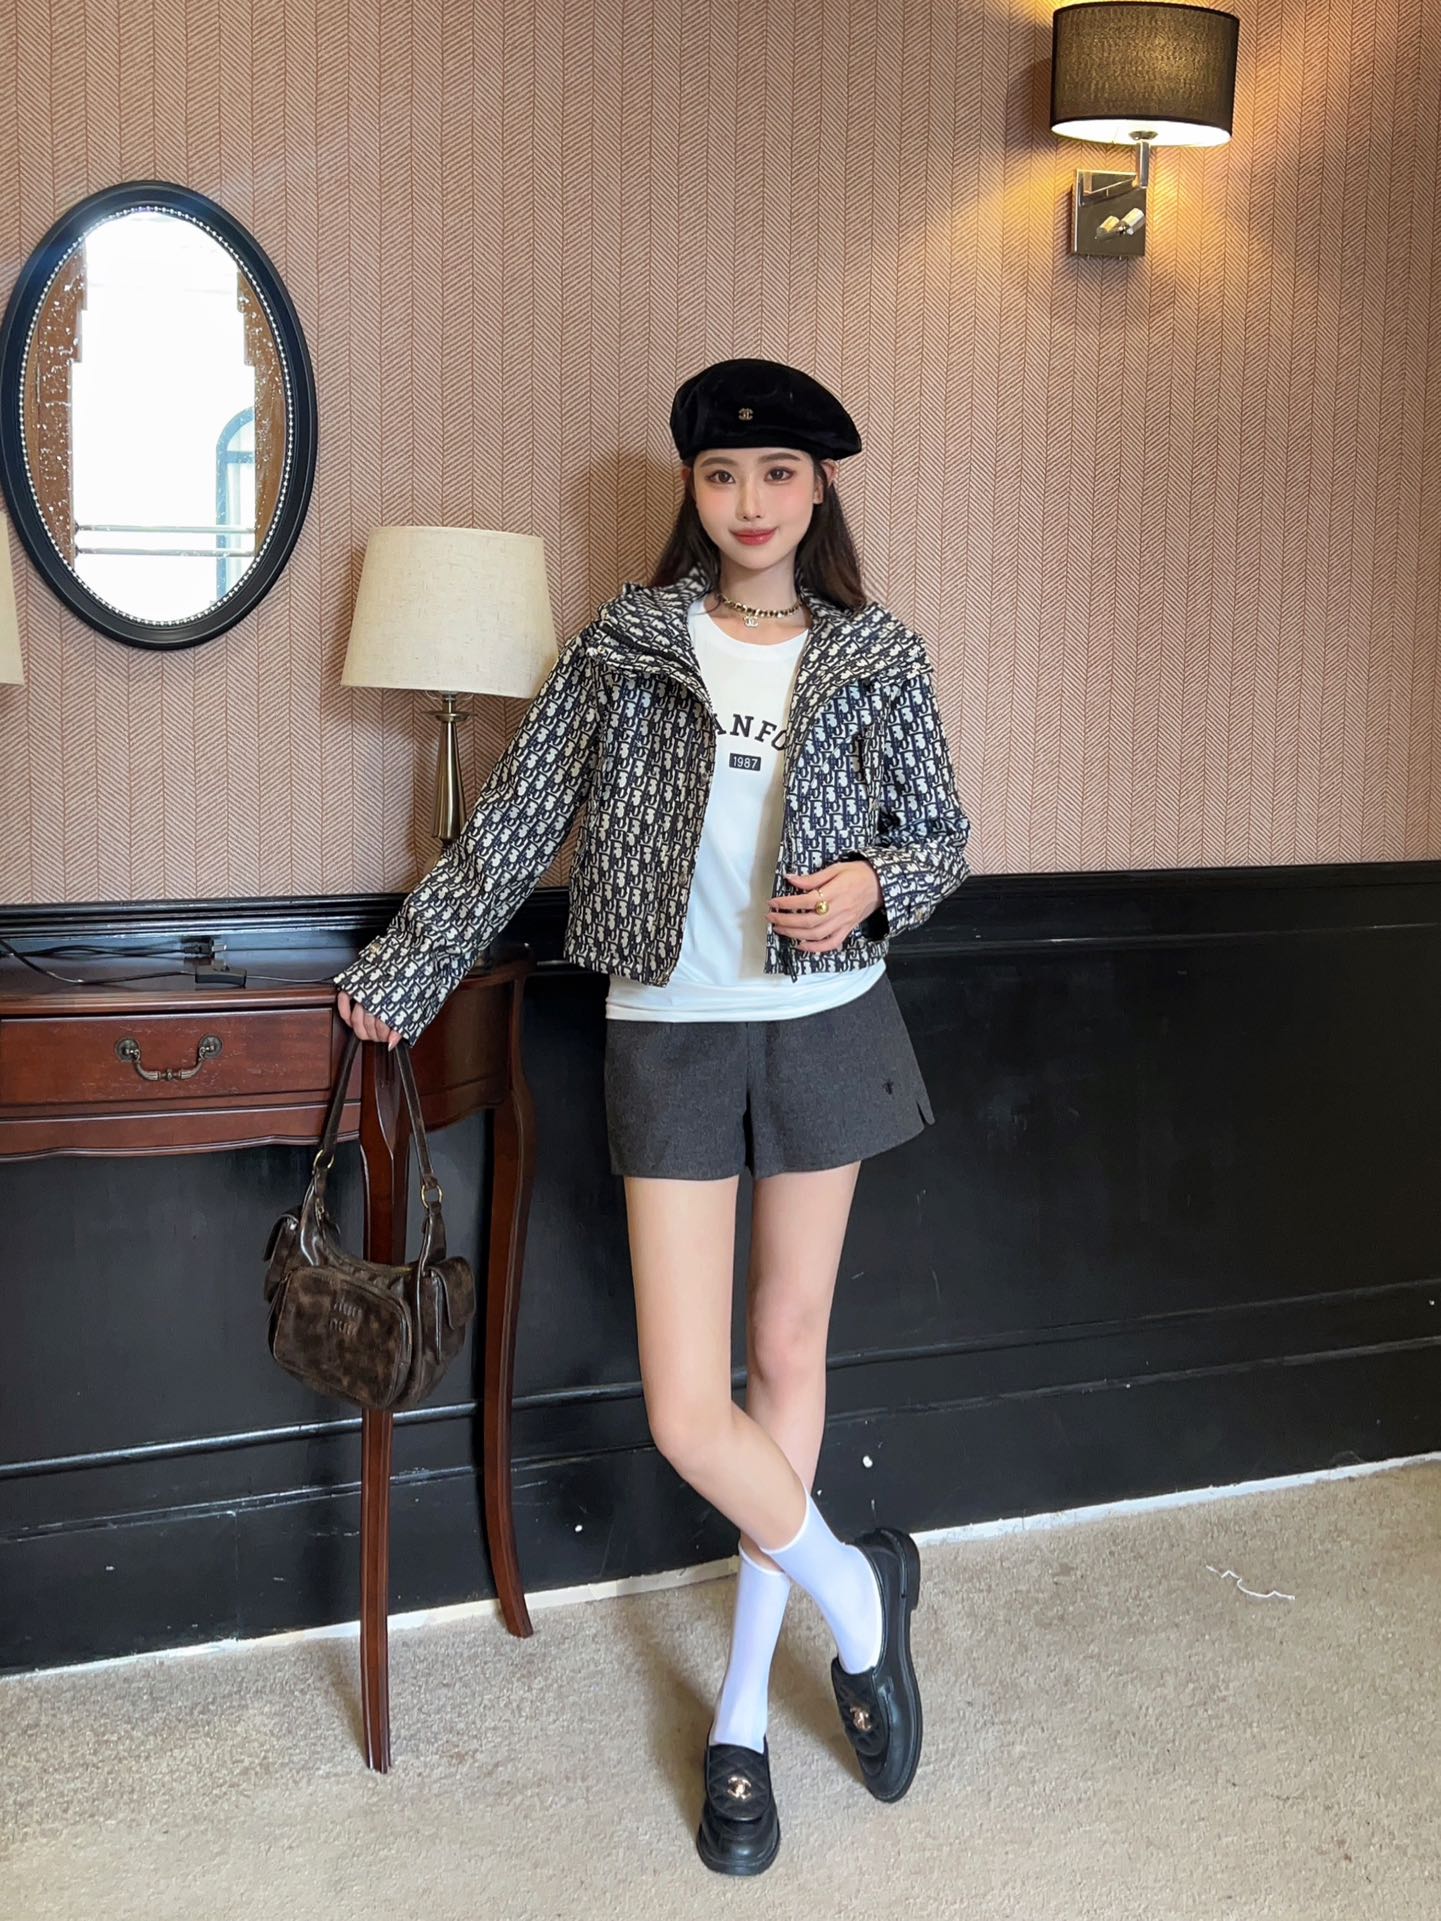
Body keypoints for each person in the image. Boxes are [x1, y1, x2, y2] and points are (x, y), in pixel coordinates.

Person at [332, 357, 973, 1875]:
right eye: (721, 475)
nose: (749, 502)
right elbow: (513, 825)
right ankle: (861, 1597)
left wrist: (875, 882)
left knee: (788, 1357)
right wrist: (405, 972)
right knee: (690, 1408)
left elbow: (941, 833)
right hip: (671, 1034)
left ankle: (741, 1714)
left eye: (778, 474)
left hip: (826, 1026)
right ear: (692, 489)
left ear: (818, 490)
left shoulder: (874, 651)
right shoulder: (624, 647)